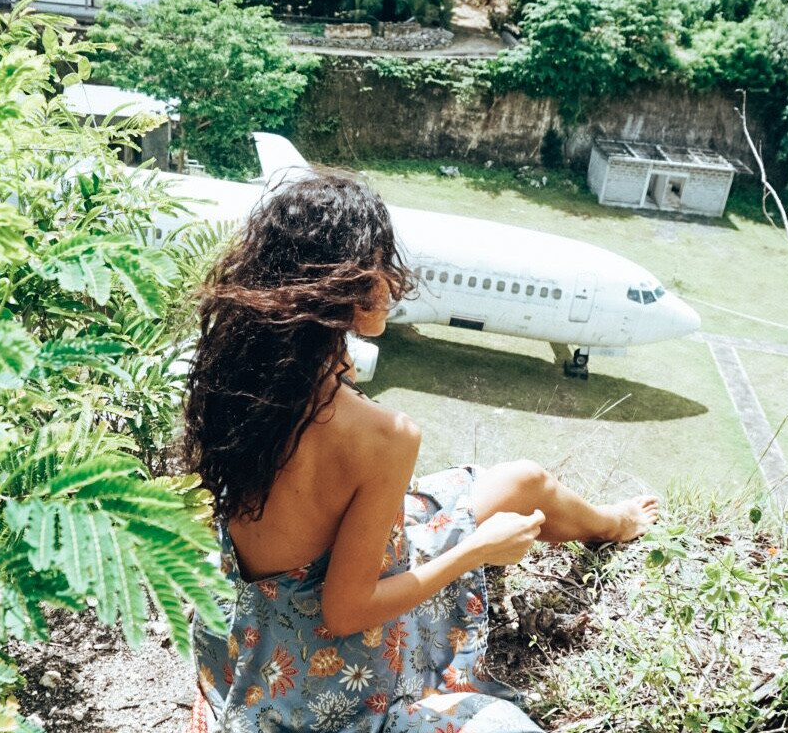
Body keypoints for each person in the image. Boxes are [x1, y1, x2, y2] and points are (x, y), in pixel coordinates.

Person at [183, 174, 659, 732]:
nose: (391, 281)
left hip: (243, 635)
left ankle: (612, 521)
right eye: (379, 264)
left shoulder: (236, 381)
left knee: (520, 481)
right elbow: (346, 612)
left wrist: (333, 364)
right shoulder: (383, 436)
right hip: (319, 685)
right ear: (343, 286)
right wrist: (476, 551)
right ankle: (610, 525)